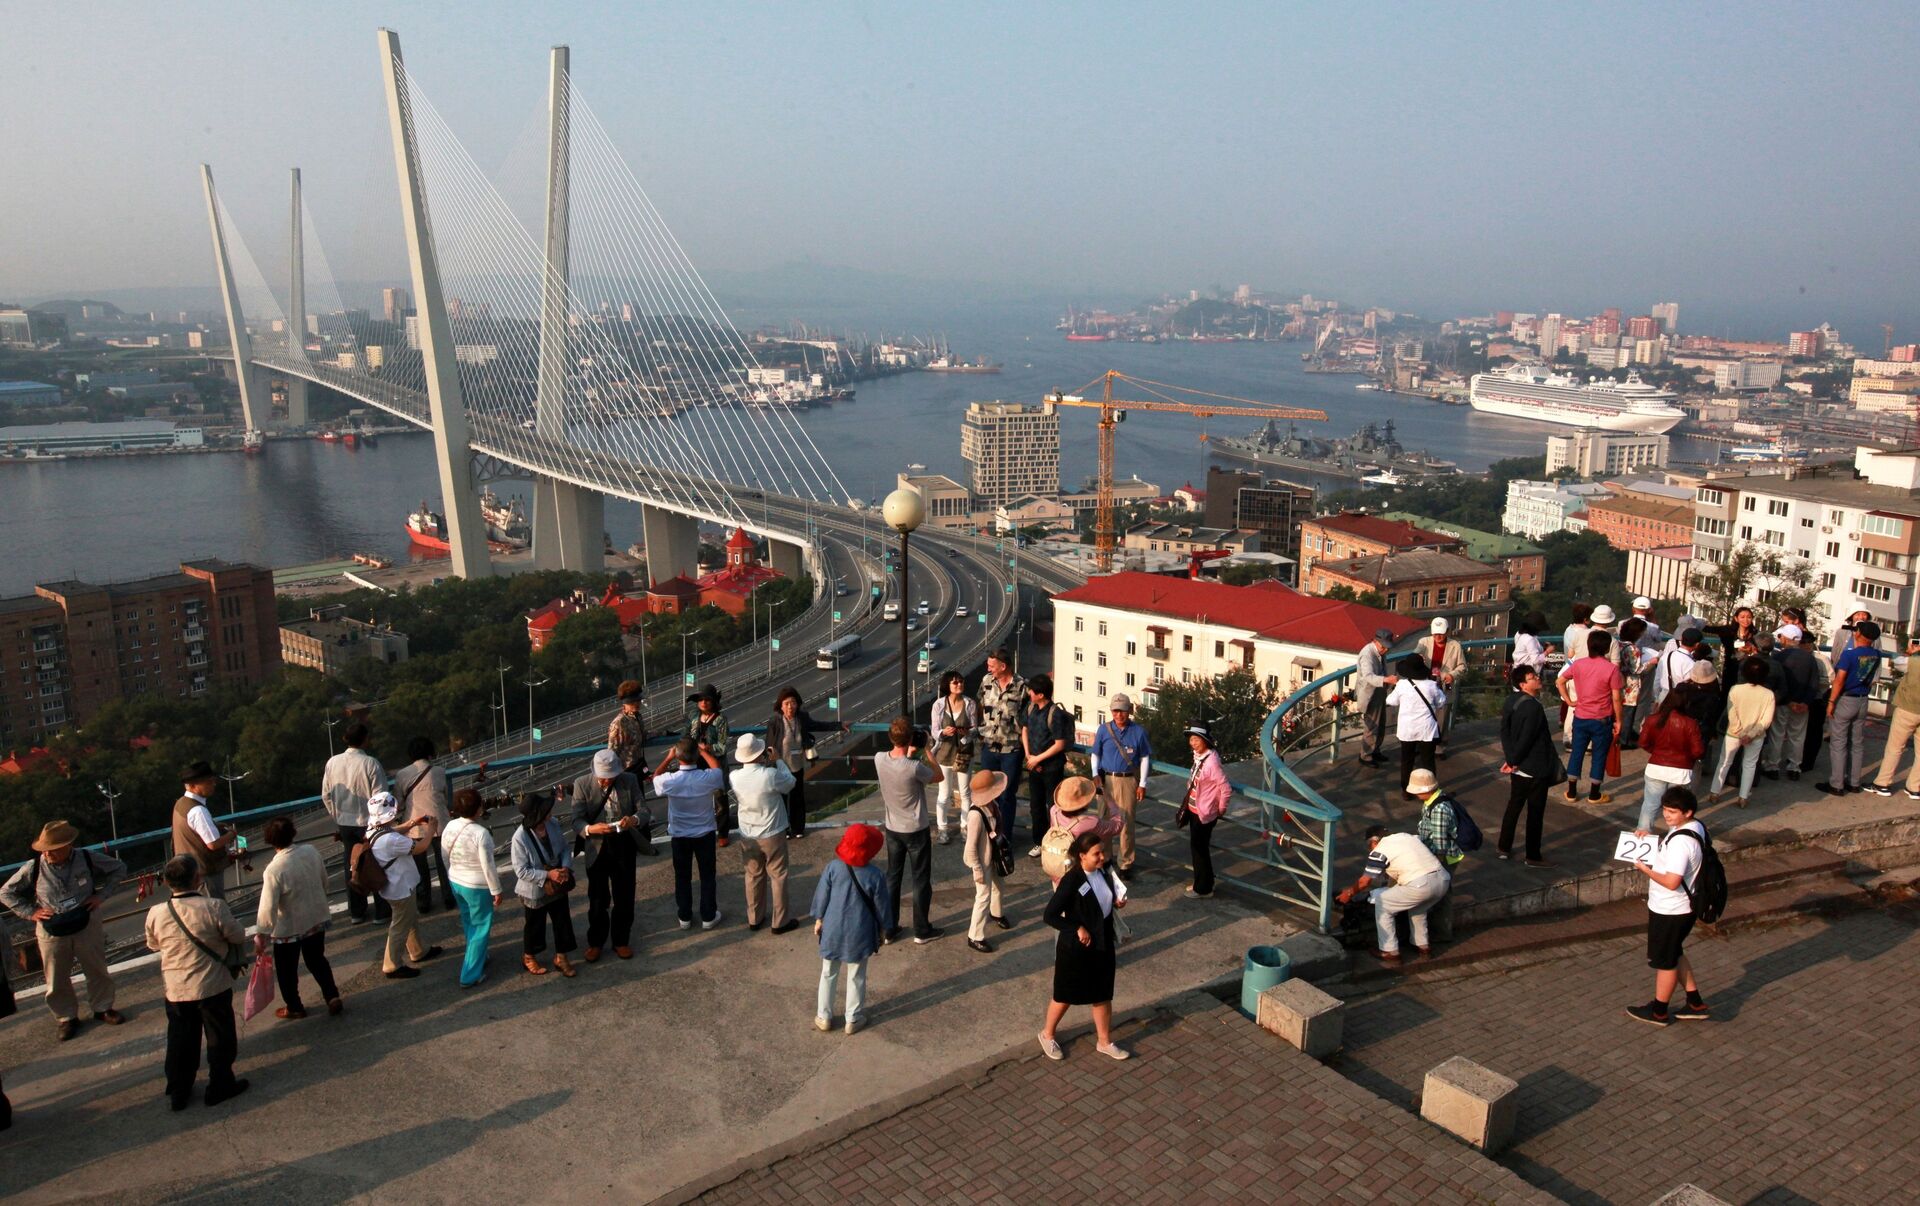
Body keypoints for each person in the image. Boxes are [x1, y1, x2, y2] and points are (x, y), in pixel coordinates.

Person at [1, 820, 126, 1040]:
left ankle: (103, 1007)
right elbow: (6, 892)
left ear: (68, 846)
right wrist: (31, 912)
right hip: (52, 927)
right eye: (45, 850)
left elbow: (119, 868)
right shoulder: (34, 868)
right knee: (56, 977)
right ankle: (66, 1018)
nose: (48, 854)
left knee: (96, 968)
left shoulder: (86, 858)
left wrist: (101, 896)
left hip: (85, 921)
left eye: (53, 850)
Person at [144, 855, 248, 1110]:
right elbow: (236, 934)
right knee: (219, 1038)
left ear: (167, 883)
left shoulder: (156, 912)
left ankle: (179, 1090)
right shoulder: (213, 906)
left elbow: (152, 943)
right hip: (211, 984)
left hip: (176, 988)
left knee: (181, 1039)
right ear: (197, 878)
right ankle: (220, 1085)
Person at [1038, 831, 1132, 1062]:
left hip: (1102, 944)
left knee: (1102, 993)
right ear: (1082, 856)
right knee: (1065, 994)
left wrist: (1117, 903)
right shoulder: (1072, 880)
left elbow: (1102, 903)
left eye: (1102, 852)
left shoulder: (1104, 871)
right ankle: (1047, 1034)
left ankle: (1104, 1041)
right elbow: (1050, 916)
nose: (1102, 857)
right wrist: (1077, 928)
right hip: (1076, 948)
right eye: (1096, 853)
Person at [1626, 787, 1711, 1026]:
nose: (1667, 815)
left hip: (1670, 909)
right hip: (1685, 908)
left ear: (1688, 812)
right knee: (1675, 951)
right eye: (1665, 809)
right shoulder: (1696, 828)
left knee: (1666, 961)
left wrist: (1646, 870)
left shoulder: (1681, 843)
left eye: (1673, 811)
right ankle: (1695, 1003)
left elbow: (1672, 881)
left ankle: (1659, 1011)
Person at [811, 823, 894, 1035]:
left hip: (832, 929)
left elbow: (822, 898)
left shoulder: (832, 868)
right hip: (861, 930)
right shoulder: (875, 875)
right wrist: (885, 928)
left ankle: (824, 1016)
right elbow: (882, 906)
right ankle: (853, 1018)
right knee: (856, 975)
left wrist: (819, 919)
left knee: (828, 972)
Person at [255, 817, 341, 1019]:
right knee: (317, 960)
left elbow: (268, 907)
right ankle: (332, 996)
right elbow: (324, 881)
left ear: (270, 841)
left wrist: (262, 934)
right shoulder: (311, 852)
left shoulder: (274, 869)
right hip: (315, 917)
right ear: (293, 833)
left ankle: (294, 1006)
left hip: (289, 927)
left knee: (287, 970)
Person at [570, 749, 648, 959]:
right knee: (597, 898)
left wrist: (633, 820)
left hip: (623, 843)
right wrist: (590, 829)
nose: (606, 782)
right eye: (603, 778)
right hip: (596, 845)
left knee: (625, 895)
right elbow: (576, 820)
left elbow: (644, 810)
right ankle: (596, 941)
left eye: (610, 778)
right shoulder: (582, 784)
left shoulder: (629, 780)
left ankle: (621, 940)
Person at [1335, 824, 1449, 964]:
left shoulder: (1379, 851)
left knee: (1384, 904)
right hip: (1442, 880)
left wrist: (1349, 893)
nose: (1369, 849)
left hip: (1420, 885)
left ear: (1373, 842)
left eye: (1369, 845)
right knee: (1418, 909)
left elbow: (1365, 882)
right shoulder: (1407, 837)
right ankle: (1423, 947)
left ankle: (1390, 951)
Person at [875, 715, 942, 943]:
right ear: (911, 738)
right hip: (916, 829)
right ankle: (922, 930)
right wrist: (928, 751)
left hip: (893, 828)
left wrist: (911, 751)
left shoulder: (879, 759)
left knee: (893, 878)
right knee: (920, 880)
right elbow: (938, 776)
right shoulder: (914, 768)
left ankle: (889, 928)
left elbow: (898, 764)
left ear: (891, 737)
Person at [365, 791, 442, 980]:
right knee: (400, 926)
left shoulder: (372, 829)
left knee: (409, 919)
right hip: (400, 888)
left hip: (393, 887)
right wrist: (432, 829)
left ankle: (418, 950)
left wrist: (412, 823)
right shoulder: (392, 841)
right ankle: (392, 964)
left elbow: (390, 831)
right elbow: (421, 848)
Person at [653, 737, 726, 930]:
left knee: (682, 876)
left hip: (680, 835)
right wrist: (703, 751)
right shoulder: (706, 777)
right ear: (696, 756)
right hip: (705, 833)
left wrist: (668, 758)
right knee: (707, 875)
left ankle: (684, 916)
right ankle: (708, 916)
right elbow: (717, 768)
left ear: (678, 757)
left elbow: (655, 777)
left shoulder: (671, 780)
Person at [322, 722, 390, 923]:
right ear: (364, 740)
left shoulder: (332, 762)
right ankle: (382, 911)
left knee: (352, 866)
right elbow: (381, 797)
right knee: (376, 864)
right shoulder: (370, 763)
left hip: (345, 823)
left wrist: (337, 816)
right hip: (368, 822)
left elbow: (326, 794)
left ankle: (357, 912)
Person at [730, 733, 798, 934]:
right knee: (778, 875)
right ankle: (780, 921)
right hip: (772, 830)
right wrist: (778, 762)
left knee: (753, 875)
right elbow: (790, 783)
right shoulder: (769, 774)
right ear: (760, 753)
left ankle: (754, 918)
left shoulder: (734, 777)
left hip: (748, 832)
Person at [510, 791, 579, 977]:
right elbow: (521, 871)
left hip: (557, 882)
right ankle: (529, 956)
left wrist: (564, 867)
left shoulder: (553, 824)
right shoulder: (520, 837)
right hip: (535, 888)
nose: (550, 812)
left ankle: (561, 957)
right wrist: (549, 874)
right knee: (534, 925)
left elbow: (564, 847)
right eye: (545, 810)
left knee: (562, 920)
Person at [1498, 665, 1560, 865]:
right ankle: (1533, 855)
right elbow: (1528, 738)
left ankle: (1504, 847)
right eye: (1533, 677)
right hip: (1534, 767)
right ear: (1523, 684)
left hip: (1518, 767)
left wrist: (1510, 760)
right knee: (1535, 812)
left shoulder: (1511, 701)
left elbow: (1505, 732)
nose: (1538, 679)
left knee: (1513, 806)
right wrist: (1514, 760)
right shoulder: (1533, 707)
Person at [442, 788, 501, 989]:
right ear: (477, 809)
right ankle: (470, 974)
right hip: (477, 885)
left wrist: (452, 874)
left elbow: (444, 855)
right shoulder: (481, 833)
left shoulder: (449, 826)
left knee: (469, 922)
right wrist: (496, 890)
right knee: (480, 928)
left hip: (456, 880)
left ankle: (479, 956)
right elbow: (488, 865)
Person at [766, 686, 843, 840]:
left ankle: (798, 828)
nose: (790, 706)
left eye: (793, 702)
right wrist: (769, 763)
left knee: (797, 798)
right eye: (786, 703)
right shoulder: (775, 721)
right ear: (780, 705)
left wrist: (840, 725)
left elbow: (819, 725)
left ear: (798, 704)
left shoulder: (802, 718)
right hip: (780, 767)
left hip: (797, 766)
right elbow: (769, 743)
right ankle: (784, 829)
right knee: (781, 800)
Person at [1089, 693, 1152, 870]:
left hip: (1127, 780)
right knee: (1104, 821)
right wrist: (1095, 774)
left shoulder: (1138, 732)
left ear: (1129, 710)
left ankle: (1125, 862)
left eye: (1122, 711)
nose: (1119, 715)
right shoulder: (1104, 729)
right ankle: (1104, 857)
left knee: (1127, 822)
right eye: (1115, 711)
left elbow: (1145, 758)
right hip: (1106, 779)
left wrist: (1142, 784)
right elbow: (1096, 753)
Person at [1561, 629, 1624, 804]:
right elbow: (1616, 698)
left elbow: (1560, 681)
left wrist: (1569, 700)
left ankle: (1572, 791)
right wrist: (1619, 720)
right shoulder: (1611, 669)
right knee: (1599, 755)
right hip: (1602, 719)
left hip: (1580, 716)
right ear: (1607, 649)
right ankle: (1594, 794)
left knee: (1577, 753)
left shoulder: (1579, 664)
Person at [1708, 658, 1779, 809]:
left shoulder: (1735, 689)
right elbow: (1766, 721)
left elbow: (1731, 713)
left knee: (1724, 762)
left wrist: (1739, 730)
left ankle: (1715, 792)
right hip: (1756, 736)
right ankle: (1743, 797)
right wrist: (1750, 734)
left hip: (1733, 733)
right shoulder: (1768, 694)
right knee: (1749, 765)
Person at [1825, 619, 1884, 794]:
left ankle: (1836, 783)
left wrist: (1831, 702)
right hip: (1863, 699)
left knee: (1838, 742)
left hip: (1846, 699)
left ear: (1858, 633)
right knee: (1857, 743)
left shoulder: (1850, 655)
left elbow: (1840, 679)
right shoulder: (1876, 654)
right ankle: (1854, 781)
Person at [977, 647, 1028, 844]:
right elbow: (979, 704)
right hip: (989, 747)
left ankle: (1004, 837)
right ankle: (988, 834)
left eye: (991, 665)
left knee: (1007, 795)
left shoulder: (1022, 686)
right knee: (986, 793)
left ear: (1003, 666)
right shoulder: (986, 681)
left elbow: (1026, 720)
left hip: (1011, 750)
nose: (988, 668)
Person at [1636, 689, 1706, 834]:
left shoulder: (1652, 719)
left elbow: (1643, 742)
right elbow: (1698, 751)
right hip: (1680, 771)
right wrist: (1687, 758)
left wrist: (1656, 752)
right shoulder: (1690, 723)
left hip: (1656, 767)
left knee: (1650, 805)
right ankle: (1674, 837)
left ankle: (1642, 835)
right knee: (1677, 809)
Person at [397, 737, 454, 913]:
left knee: (419, 867)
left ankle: (424, 902)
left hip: (415, 826)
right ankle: (449, 897)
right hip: (439, 824)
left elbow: (399, 803)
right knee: (444, 863)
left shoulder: (401, 775)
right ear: (430, 752)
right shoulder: (439, 771)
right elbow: (446, 798)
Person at [1021, 674, 1074, 856]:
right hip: (1034, 765)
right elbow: (1024, 729)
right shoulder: (1030, 709)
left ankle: (1056, 842)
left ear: (1041, 694)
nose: (1029, 693)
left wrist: (1037, 759)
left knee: (1053, 806)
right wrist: (1029, 756)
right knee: (1035, 806)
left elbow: (1059, 744)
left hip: (1052, 767)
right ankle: (1040, 842)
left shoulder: (1054, 714)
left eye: (1032, 691)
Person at [962, 768, 1013, 953]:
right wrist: (976, 869)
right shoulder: (975, 815)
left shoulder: (993, 805)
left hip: (993, 855)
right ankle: (975, 936)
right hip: (981, 860)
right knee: (983, 896)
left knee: (999, 885)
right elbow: (970, 847)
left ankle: (997, 913)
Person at [172, 761, 237, 901]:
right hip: (206, 873)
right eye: (209, 782)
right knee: (214, 911)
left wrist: (214, 824)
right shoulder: (198, 810)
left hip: (191, 872)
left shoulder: (181, 803)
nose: (213, 784)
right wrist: (232, 834)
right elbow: (213, 844)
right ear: (194, 785)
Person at [1180, 723, 1232, 898]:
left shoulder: (1211, 763)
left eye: (1196, 739)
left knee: (1199, 850)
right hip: (1196, 810)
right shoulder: (1200, 757)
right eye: (1191, 739)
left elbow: (1225, 787)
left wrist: (1221, 808)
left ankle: (1203, 888)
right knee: (1197, 848)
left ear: (1205, 741)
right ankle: (1201, 882)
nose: (1192, 743)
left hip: (1204, 813)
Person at [1763, 623, 1819, 782]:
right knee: (1797, 736)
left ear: (1787, 639)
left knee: (1777, 734)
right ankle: (1794, 767)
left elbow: (1778, 682)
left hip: (1783, 703)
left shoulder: (1779, 657)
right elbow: (1813, 684)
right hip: (1803, 704)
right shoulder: (1810, 658)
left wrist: (1788, 701)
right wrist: (1805, 702)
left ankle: (1772, 766)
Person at [1044, 775, 1124, 886]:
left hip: (1058, 871)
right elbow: (1117, 826)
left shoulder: (1054, 811)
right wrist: (1109, 799)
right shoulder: (1089, 823)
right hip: (1078, 876)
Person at [1867, 636, 1920, 799]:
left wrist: (1912, 653)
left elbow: (1896, 662)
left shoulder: (1913, 662)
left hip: (1907, 709)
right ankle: (1915, 787)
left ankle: (1882, 783)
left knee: (1895, 748)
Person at [1387, 654, 1446, 794]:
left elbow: (1390, 701)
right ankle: (1429, 790)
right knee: (1428, 761)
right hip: (1427, 729)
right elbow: (1442, 702)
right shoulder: (1432, 685)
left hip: (1407, 729)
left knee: (1407, 760)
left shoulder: (1402, 685)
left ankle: (1406, 790)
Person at [686, 685, 732, 847]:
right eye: (700, 700)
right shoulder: (694, 718)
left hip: (716, 763)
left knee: (720, 798)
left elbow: (723, 746)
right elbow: (686, 737)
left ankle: (723, 833)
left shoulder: (720, 719)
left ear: (714, 702)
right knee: (700, 799)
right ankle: (703, 832)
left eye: (707, 700)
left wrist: (708, 748)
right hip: (698, 764)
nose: (704, 703)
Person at [1416, 618, 1468, 756]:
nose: (1438, 637)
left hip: (1444, 685)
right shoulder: (1424, 642)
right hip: (1427, 684)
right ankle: (1421, 745)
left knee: (1442, 718)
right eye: (1435, 634)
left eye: (1441, 634)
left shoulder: (1455, 645)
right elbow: (1415, 656)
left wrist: (1452, 674)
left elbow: (1463, 666)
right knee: (1424, 715)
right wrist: (1418, 657)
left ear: (1447, 632)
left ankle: (1439, 747)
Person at [1353, 629, 1401, 768]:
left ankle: (1375, 750)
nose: (1385, 650)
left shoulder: (1379, 651)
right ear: (1375, 641)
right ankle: (1366, 755)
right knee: (1372, 726)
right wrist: (1387, 679)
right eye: (1383, 647)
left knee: (1380, 724)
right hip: (1370, 695)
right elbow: (1368, 676)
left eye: (1387, 648)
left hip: (1379, 692)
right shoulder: (1367, 654)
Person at [1613, 617, 1656, 750]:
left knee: (1620, 712)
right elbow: (1637, 669)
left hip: (1619, 682)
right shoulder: (1632, 648)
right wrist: (1652, 662)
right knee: (1628, 714)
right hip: (1630, 686)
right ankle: (1623, 740)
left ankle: (1621, 738)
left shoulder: (1618, 644)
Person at [1652, 621, 1704, 706]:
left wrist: (1657, 698)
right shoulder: (1691, 664)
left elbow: (1657, 681)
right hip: (1680, 701)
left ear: (1682, 640)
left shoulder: (1666, 656)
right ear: (1697, 644)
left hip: (1663, 696)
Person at [607, 679, 649, 778]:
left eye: (638, 700)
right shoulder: (618, 723)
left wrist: (664, 733)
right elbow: (612, 752)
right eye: (633, 702)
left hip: (638, 768)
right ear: (625, 703)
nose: (637, 704)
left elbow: (642, 735)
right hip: (625, 773)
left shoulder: (637, 716)